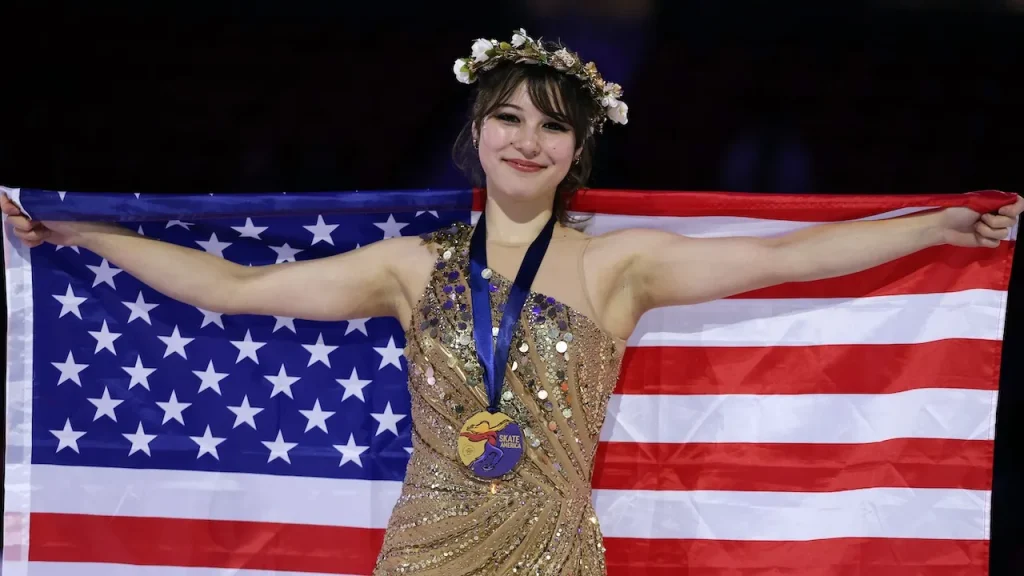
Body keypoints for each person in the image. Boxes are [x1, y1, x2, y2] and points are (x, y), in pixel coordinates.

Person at [2, 29, 1021, 576]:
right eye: (509, 118)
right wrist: (82, 230)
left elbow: (787, 258)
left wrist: (932, 225)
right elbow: (231, 288)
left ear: (580, 150)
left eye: (553, 127)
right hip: (426, 555)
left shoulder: (621, 268)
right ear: (477, 133)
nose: (528, 139)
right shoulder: (407, 267)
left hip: (556, 559)